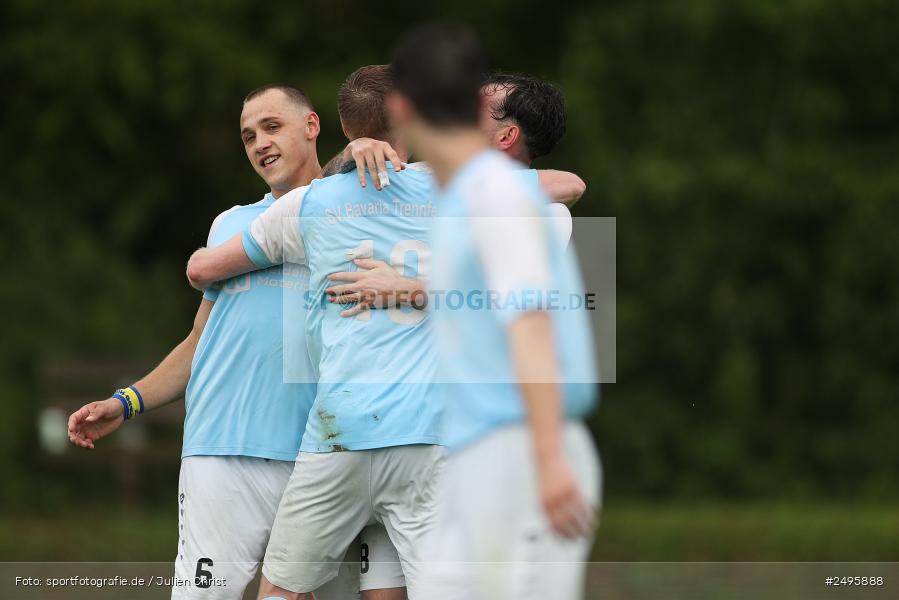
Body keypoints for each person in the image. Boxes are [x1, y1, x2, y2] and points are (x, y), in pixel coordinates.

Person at [66, 84, 397, 600]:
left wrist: (357, 153)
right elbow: (200, 339)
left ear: (312, 127)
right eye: (247, 136)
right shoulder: (231, 224)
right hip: (222, 453)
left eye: (271, 127)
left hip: (324, 456)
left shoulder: (358, 215)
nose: (259, 143)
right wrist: (126, 402)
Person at [388, 24, 602, 599]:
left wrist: (549, 459)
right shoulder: (466, 197)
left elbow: (530, 323)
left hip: (526, 451)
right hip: (476, 453)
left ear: (401, 106)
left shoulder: (496, 195)